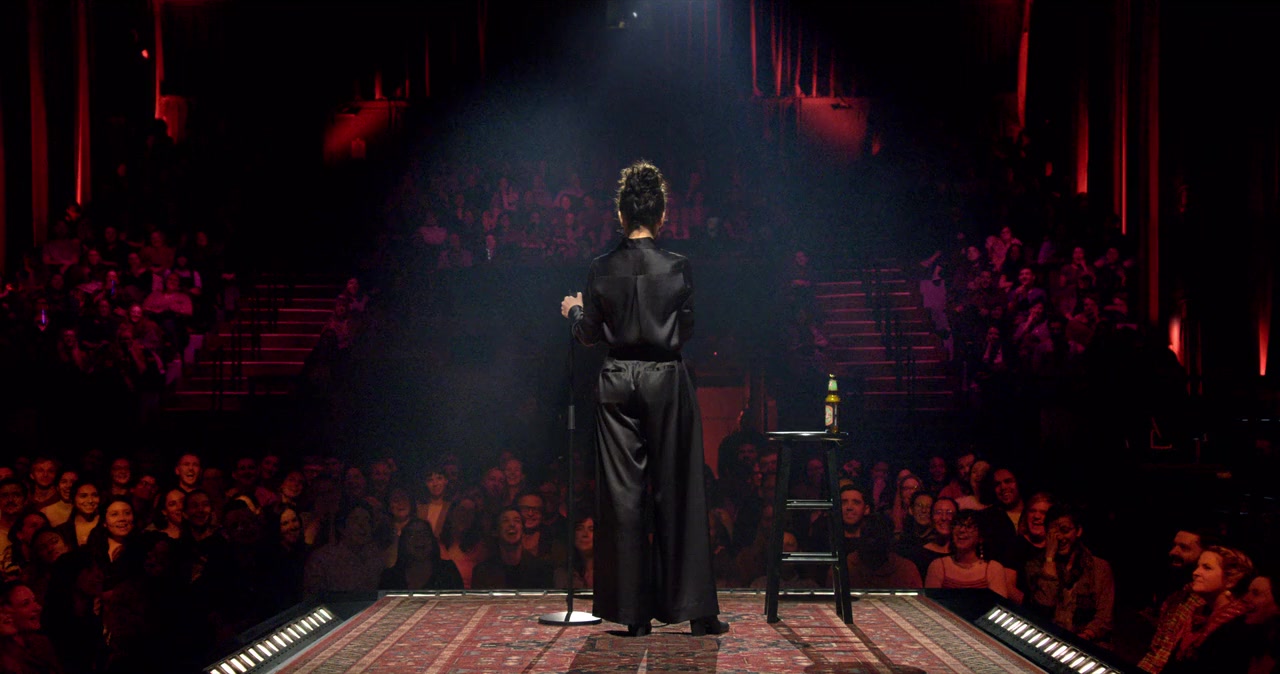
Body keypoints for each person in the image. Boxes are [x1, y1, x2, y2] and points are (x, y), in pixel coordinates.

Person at [559, 160, 724, 637]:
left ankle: (633, 615)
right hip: (665, 378)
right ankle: (696, 611)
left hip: (616, 379)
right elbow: (686, 329)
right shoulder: (677, 266)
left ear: (620, 214)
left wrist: (574, 312)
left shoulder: (600, 268)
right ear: (662, 214)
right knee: (679, 489)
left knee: (623, 496)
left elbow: (589, 334)